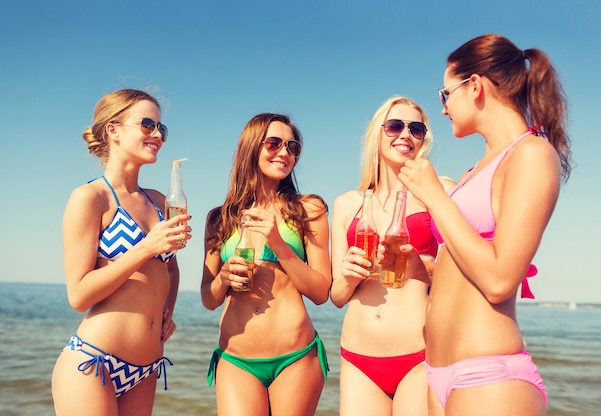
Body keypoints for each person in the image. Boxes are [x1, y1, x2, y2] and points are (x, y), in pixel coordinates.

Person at [395, 34, 572, 416]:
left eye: (445, 95)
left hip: (487, 377)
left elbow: (498, 280)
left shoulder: (531, 155)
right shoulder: (473, 171)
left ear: (473, 86)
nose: (442, 110)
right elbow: (466, 263)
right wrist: (425, 270)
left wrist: (435, 197)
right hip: (438, 375)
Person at [51, 89, 191, 416]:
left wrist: (166, 311)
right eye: (146, 125)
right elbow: (79, 295)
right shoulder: (91, 198)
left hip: (146, 369)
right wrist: (145, 247)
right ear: (113, 130)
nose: (157, 134)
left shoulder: (160, 201)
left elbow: (170, 268)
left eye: (161, 128)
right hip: (94, 363)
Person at [330, 96, 455, 416]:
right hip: (358, 356)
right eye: (395, 126)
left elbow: (461, 276)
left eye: (416, 129)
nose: (405, 135)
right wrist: (349, 274)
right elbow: (338, 296)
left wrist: (420, 264)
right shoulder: (347, 203)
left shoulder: (440, 190)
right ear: (377, 132)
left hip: (418, 352)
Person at [201, 113, 332, 416]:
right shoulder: (219, 218)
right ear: (251, 148)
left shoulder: (308, 209)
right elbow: (208, 298)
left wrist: (278, 244)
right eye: (274, 143)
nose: (284, 152)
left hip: (295, 356)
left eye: (292, 146)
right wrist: (222, 278)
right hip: (236, 358)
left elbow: (321, 291)